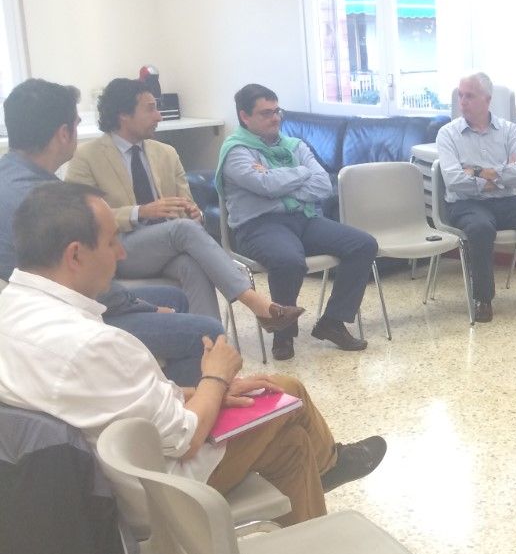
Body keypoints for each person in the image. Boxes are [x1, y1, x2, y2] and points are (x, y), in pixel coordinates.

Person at [0, 182, 387, 526]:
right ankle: (329, 468)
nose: (120, 254)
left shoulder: (13, 309)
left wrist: (203, 392)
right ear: (75, 255)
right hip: (155, 488)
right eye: (111, 241)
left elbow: (111, 399)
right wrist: (215, 378)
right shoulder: (93, 344)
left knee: (288, 426)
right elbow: (184, 438)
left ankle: (313, 526)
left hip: (90, 478)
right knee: (286, 399)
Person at [0, 78, 221, 387]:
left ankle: (163, 385)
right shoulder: (41, 201)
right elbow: (88, 280)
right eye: (77, 123)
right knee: (207, 332)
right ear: (64, 133)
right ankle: (170, 405)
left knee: (175, 297)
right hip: (64, 318)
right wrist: (144, 307)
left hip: (40, 307)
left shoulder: (12, 177)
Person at [64, 78, 303, 331]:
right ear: (123, 114)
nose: (159, 116)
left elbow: (187, 205)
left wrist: (194, 213)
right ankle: (256, 304)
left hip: (166, 245)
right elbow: (79, 218)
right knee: (182, 230)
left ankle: (211, 344)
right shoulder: (86, 156)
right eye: (150, 109)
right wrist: (139, 212)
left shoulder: (166, 152)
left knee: (192, 265)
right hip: (117, 248)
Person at [217, 84, 378, 360]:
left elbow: (323, 185)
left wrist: (279, 182)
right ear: (244, 116)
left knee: (363, 244)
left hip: (303, 218)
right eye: (266, 113)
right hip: (258, 226)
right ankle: (283, 333)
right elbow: (264, 185)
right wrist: (301, 173)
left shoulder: (294, 145)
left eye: (276, 111)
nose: (275, 118)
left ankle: (333, 322)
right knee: (289, 261)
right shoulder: (236, 151)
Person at [435, 72, 516, 322]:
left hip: (505, 201)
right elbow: (453, 179)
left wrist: (474, 171)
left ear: (487, 99)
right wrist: (499, 175)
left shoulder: (509, 130)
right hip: (465, 204)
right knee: (481, 228)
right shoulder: (448, 134)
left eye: (469, 96)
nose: (462, 102)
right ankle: (483, 298)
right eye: (460, 95)